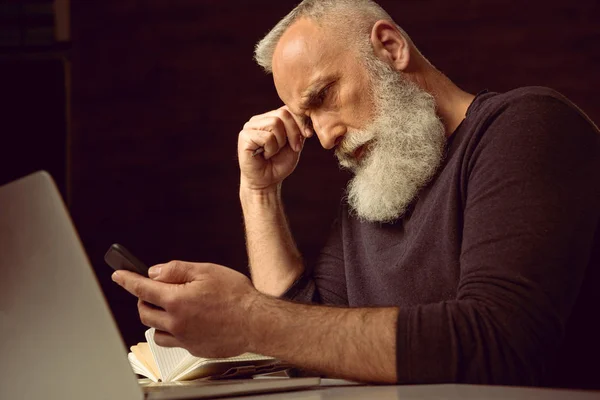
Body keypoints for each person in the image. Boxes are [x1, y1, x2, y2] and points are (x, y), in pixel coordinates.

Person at [112, 0, 600, 388]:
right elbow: (313, 336)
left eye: (322, 97)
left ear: (390, 47)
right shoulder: (376, 192)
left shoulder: (527, 126)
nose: (323, 137)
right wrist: (258, 191)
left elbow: (500, 342)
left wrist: (249, 320)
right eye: (305, 120)